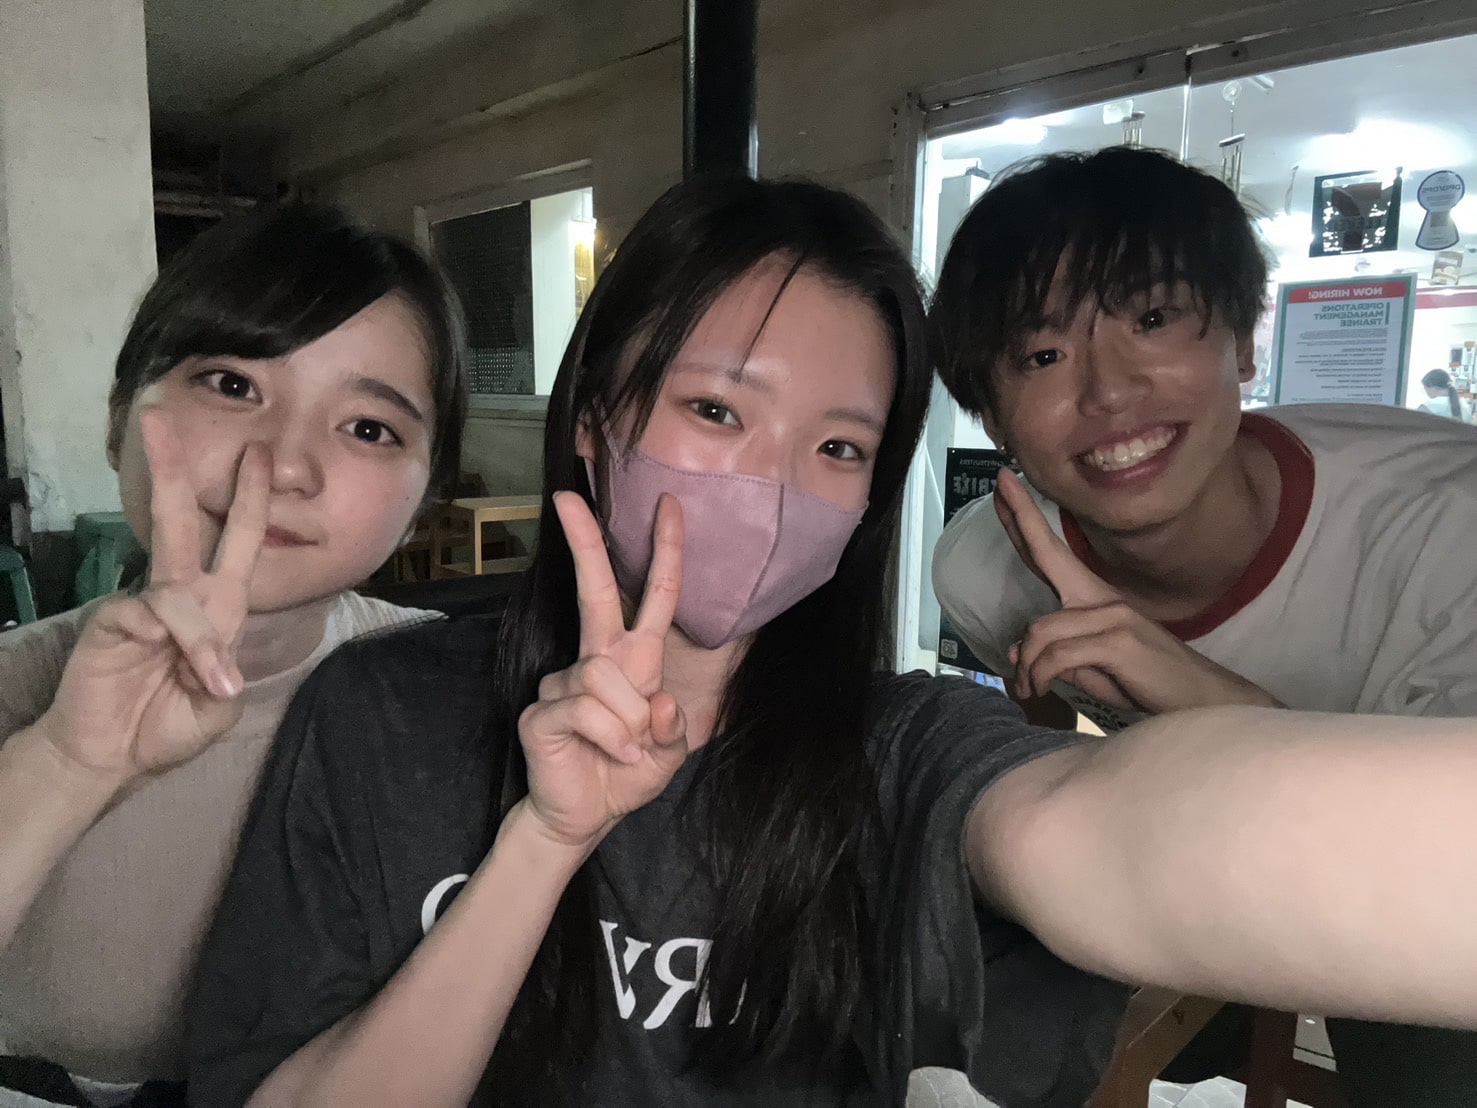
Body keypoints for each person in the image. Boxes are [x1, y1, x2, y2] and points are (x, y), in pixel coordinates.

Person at [188, 174, 1477, 1108]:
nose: (773, 483)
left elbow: (1101, 835)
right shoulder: (381, 713)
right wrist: (545, 839)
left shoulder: (897, 746)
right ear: (593, 417)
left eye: (840, 447)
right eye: (714, 410)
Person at [930, 146, 1477, 1104]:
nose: (1108, 392)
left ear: (1243, 341)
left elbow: (1439, 878)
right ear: (989, 413)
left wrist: (1204, 700)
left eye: (1150, 320)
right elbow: (1042, 768)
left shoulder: (1450, 529)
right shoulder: (982, 572)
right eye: (1042, 356)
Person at [0, 204, 468, 1108]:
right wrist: (65, 765)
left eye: (369, 428)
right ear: (119, 419)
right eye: (231, 384)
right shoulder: (18, 685)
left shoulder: (454, 700)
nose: (283, 466)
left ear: (425, 499)